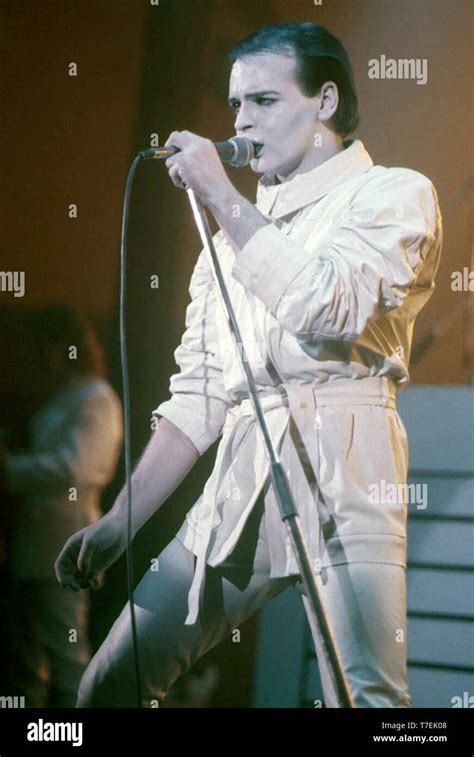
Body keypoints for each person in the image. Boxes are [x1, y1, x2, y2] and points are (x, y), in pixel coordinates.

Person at [55, 22, 442, 708]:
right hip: (241, 469)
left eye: (263, 100)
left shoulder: (394, 193)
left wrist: (223, 198)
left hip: (346, 460)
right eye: (236, 105)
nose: (242, 122)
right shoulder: (226, 240)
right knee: (108, 686)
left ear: (325, 101)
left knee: (368, 699)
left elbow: (328, 308)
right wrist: (122, 520)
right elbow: (200, 394)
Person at [0, 303, 123, 707]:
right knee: (30, 658)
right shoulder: (64, 397)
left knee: (67, 655)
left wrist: (9, 469)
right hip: (36, 545)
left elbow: (78, 467)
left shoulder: (96, 399)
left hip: (64, 545)